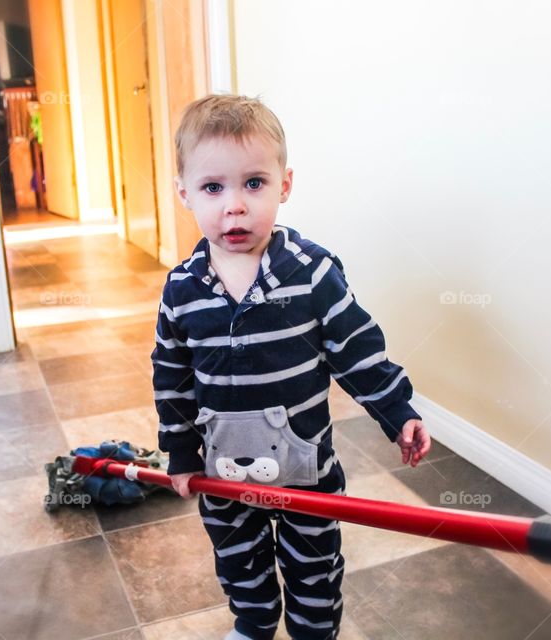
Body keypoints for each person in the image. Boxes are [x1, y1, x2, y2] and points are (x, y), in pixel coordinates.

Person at [151, 94, 431, 640]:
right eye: (214, 188)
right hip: (224, 477)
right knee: (241, 568)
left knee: (314, 574)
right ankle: (253, 626)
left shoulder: (312, 273)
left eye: (253, 183)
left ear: (285, 184)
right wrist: (182, 453)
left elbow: (358, 350)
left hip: (308, 476)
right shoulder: (182, 290)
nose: (235, 206)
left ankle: (312, 632)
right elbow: (172, 378)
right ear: (184, 193)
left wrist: (398, 412)